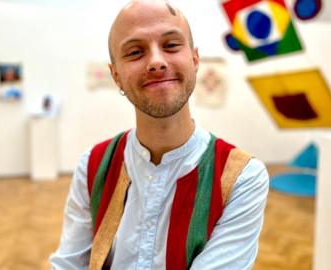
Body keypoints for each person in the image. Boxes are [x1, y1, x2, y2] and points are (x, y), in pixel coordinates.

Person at [50, 1, 269, 269]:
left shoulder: (241, 177)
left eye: (171, 45)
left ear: (195, 59)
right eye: (134, 52)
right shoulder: (93, 165)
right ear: (116, 75)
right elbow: (69, 264)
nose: (156, 61)